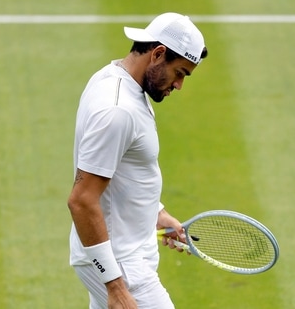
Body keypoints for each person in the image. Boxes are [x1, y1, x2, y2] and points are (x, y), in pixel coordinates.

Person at [67, 12, 208, 309]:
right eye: (180, 72)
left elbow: (123, 171)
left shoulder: (116, 80)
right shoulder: (118, 111)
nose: (179, 85)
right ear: (158, 54)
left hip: (122, 254)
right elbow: (81, 200)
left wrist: (155, 213)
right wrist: (115, 286)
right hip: (121, 262)